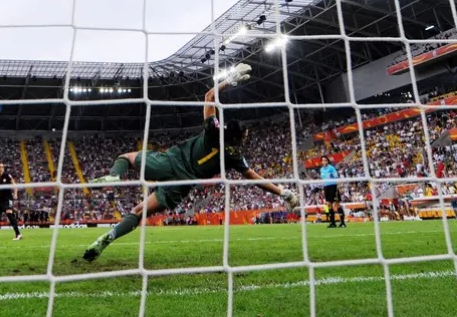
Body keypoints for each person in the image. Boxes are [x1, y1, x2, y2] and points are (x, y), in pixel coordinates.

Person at [82, 63, 299, 261]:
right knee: (139, 212)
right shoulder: (234, 157)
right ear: (239, 138)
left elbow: (209, 95)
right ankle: (107, 237)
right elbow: (255, 179)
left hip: (169, 162)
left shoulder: (213, 130)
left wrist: (230, 80)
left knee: (127, 158)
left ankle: (114, 175)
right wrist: (283, 193)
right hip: (182, 184)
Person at [319, 156, 345, 228]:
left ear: (328, 161)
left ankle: (342, 222)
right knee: (329, 205)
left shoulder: (331, 168)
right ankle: (332, 223)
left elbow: (336, 177)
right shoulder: (321, 170)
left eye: (325, 160)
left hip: (333, 187)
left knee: (337, 204)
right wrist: (323, 189)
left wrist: (338, 187)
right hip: (326, 187)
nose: (324, 162)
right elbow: (323, 179)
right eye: (323, 160)